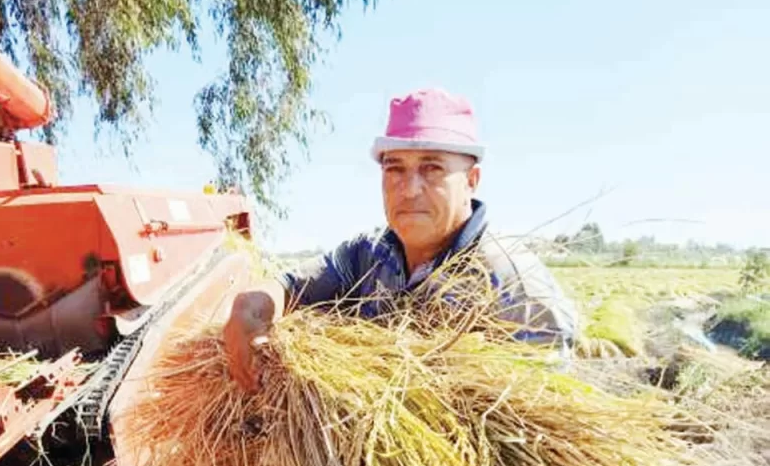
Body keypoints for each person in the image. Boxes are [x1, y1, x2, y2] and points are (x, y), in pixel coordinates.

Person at [223, 87, 579, 392]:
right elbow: (289, 286)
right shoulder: (366, 257)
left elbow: (538, 432)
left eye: (432, 168)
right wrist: (252, 304)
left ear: (472, 180)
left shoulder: (515, 291)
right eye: (395, 169)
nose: (409, 189)